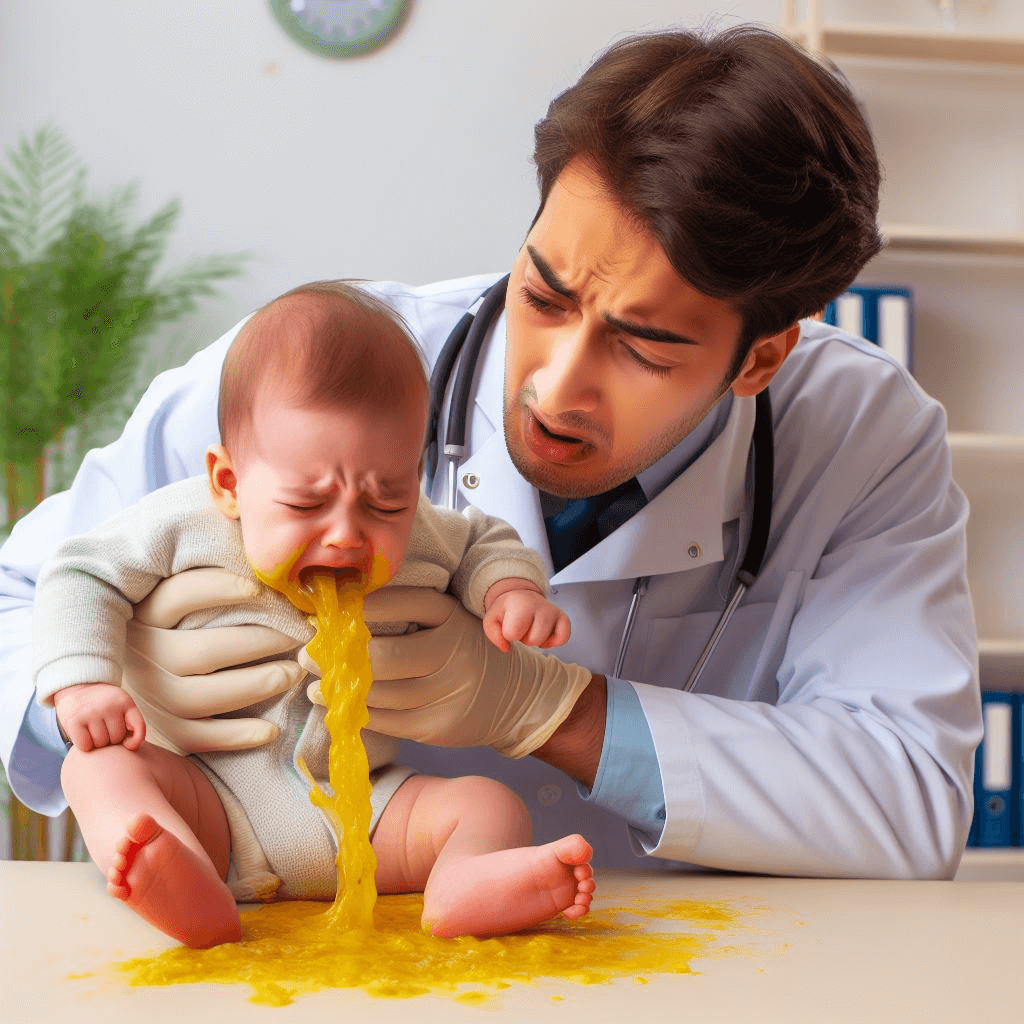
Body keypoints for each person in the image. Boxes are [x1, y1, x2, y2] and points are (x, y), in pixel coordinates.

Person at [1, 25, 979, 881]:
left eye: (641, 345)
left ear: (759, 355)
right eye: (545, 294)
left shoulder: (860, 433)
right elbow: (18, 600)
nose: (554, 384)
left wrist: (549, 709)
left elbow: (911, 796)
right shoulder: (317, 372)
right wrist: (105, 682)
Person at [30, 281, 595, 948]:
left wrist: (509, 593)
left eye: (386, 500)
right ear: (229, 483)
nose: (347, 534)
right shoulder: (183, 524)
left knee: (485, 802)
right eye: (306, 504)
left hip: (372, 816)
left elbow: (482, 541)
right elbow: (79, 571)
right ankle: (176, 867)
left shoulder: (421, 534)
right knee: (97, 770)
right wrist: (87, 680)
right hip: (215, 805)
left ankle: (462, 883)